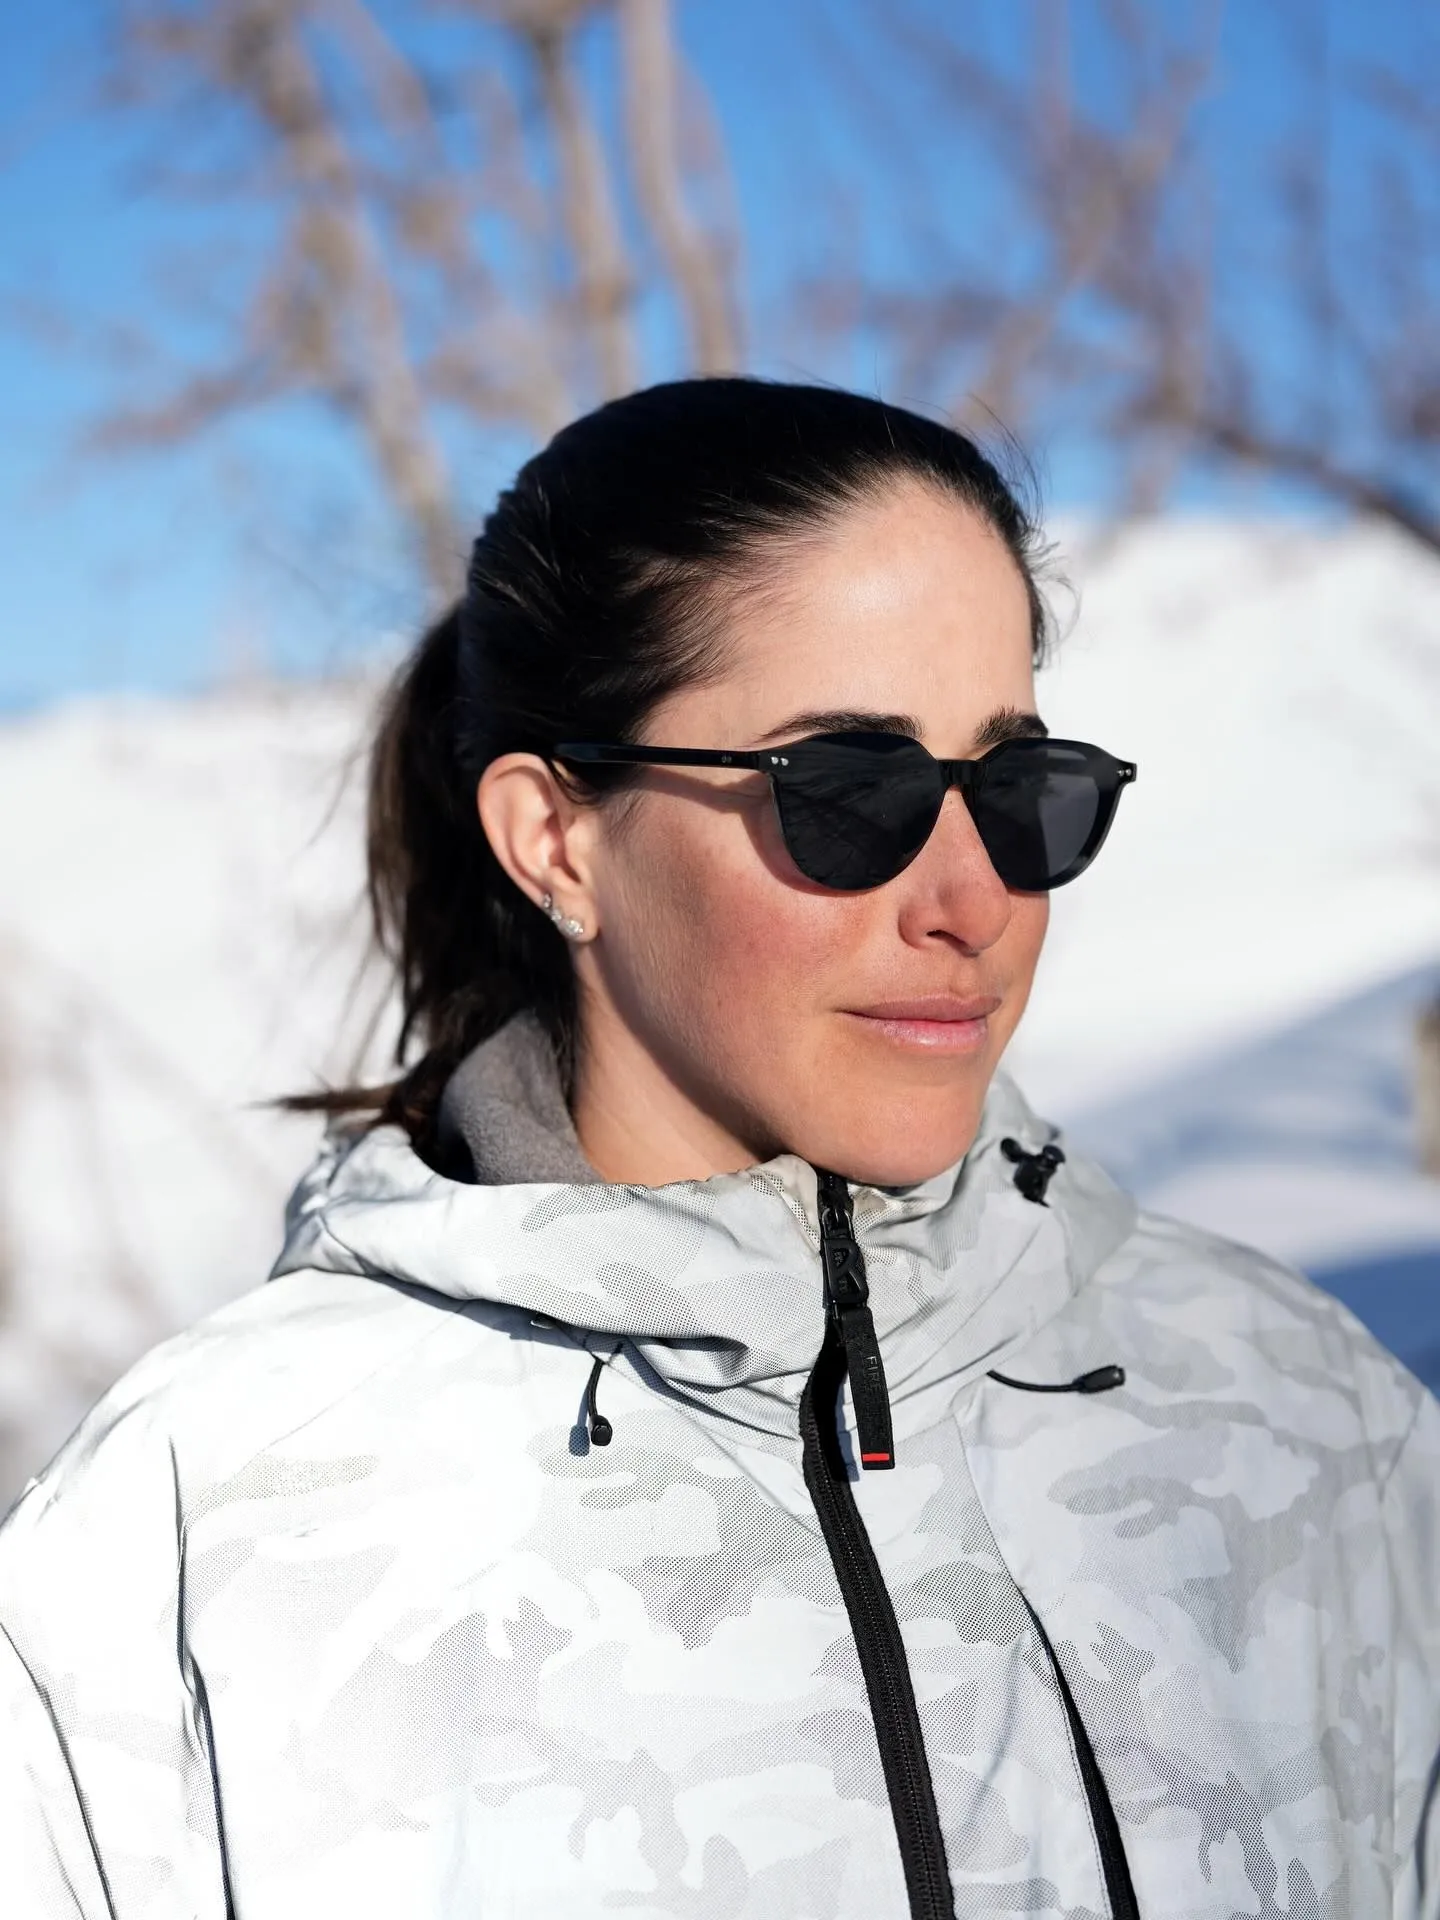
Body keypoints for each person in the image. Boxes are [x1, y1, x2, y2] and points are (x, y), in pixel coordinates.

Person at [1, 378, 1436, 1920]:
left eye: (1017, 788)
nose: (970, 898)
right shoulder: (198, 1536)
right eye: (847, 789)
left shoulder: (1305, 1416)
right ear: (558, 839)